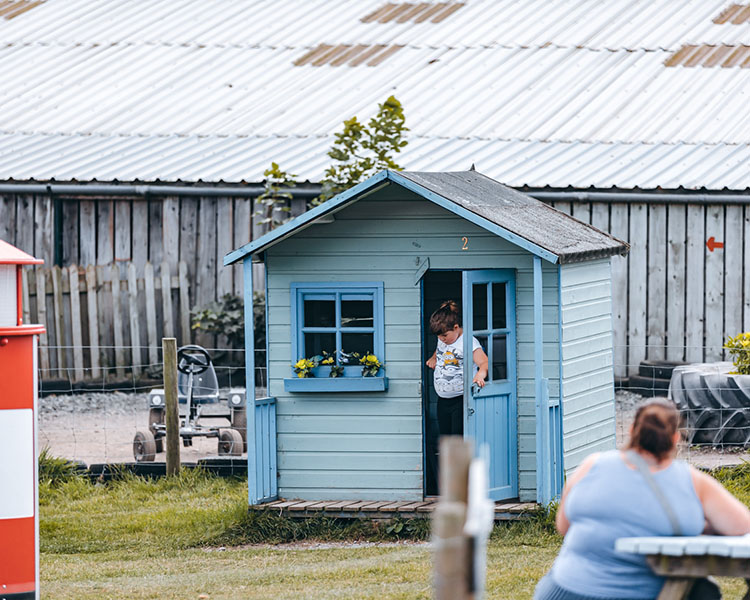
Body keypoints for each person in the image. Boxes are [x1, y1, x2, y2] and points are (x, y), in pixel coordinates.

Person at [534, 398, 750, 600]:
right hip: (635, 593)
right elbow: (743, 525)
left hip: (561, 590)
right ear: (675, 438)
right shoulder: (690, 480)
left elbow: (563, 526)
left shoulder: (592, 465)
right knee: (704, 592)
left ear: (632, 430)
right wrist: (700, 525)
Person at [426, 300, 488, 437]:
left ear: (455, 327)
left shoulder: (468, 342)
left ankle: (459, 460)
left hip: (460, 399)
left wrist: (480, 374)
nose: (442, 339)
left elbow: (484, 362)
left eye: (444, 336)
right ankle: (449, 459)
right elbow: (441, 349)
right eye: (438, 337)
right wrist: (434, 358)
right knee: (445, 437)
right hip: (442, 399)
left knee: (457, 437)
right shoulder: (444, 338)